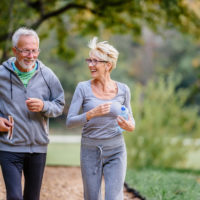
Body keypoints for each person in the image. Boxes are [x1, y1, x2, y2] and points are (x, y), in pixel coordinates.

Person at [66, 37, 135, 200]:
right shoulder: (82, 88)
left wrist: (129, 125)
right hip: (90, 150)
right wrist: (91, 114)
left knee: (114, 197)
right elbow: (69, 121)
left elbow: (131, 120)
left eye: (95, 61)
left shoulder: (123, 90)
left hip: (116, 149)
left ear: (108, 65)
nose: (90, 64)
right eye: (89, 60)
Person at [0, 27, 65, 200]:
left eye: (34, 50)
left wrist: (44, 105)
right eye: (26, 51)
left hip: (38, 148)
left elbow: (59, 104)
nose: (31, 55)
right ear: (15, 50)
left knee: (32, 197)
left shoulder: (47, 75)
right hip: (9, 146)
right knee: (14, 197)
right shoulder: (1, 74)